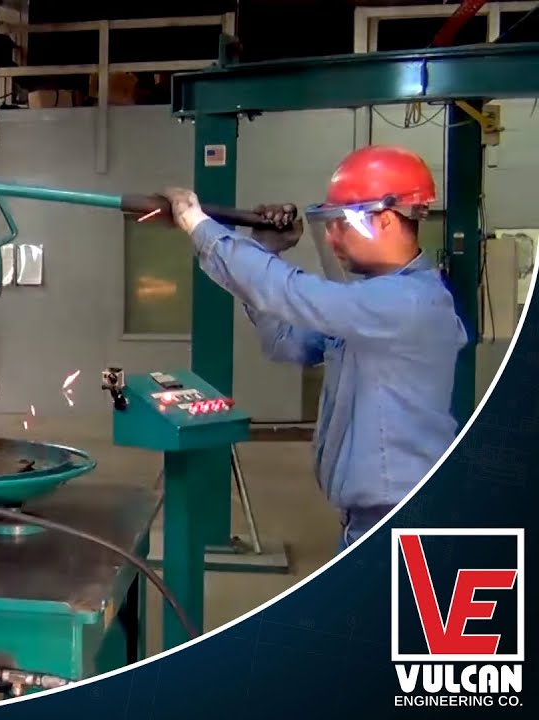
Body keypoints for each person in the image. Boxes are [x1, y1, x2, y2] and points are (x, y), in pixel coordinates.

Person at [159, 145, 468, 550]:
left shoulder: (410, 302)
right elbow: (287, 343)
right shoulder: (372, 303)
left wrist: (198, 224)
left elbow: (291, 292)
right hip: (370, 519)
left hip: (402, 519)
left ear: (386, 219)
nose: (331, 236)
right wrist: (265, 252)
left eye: (342, 223)